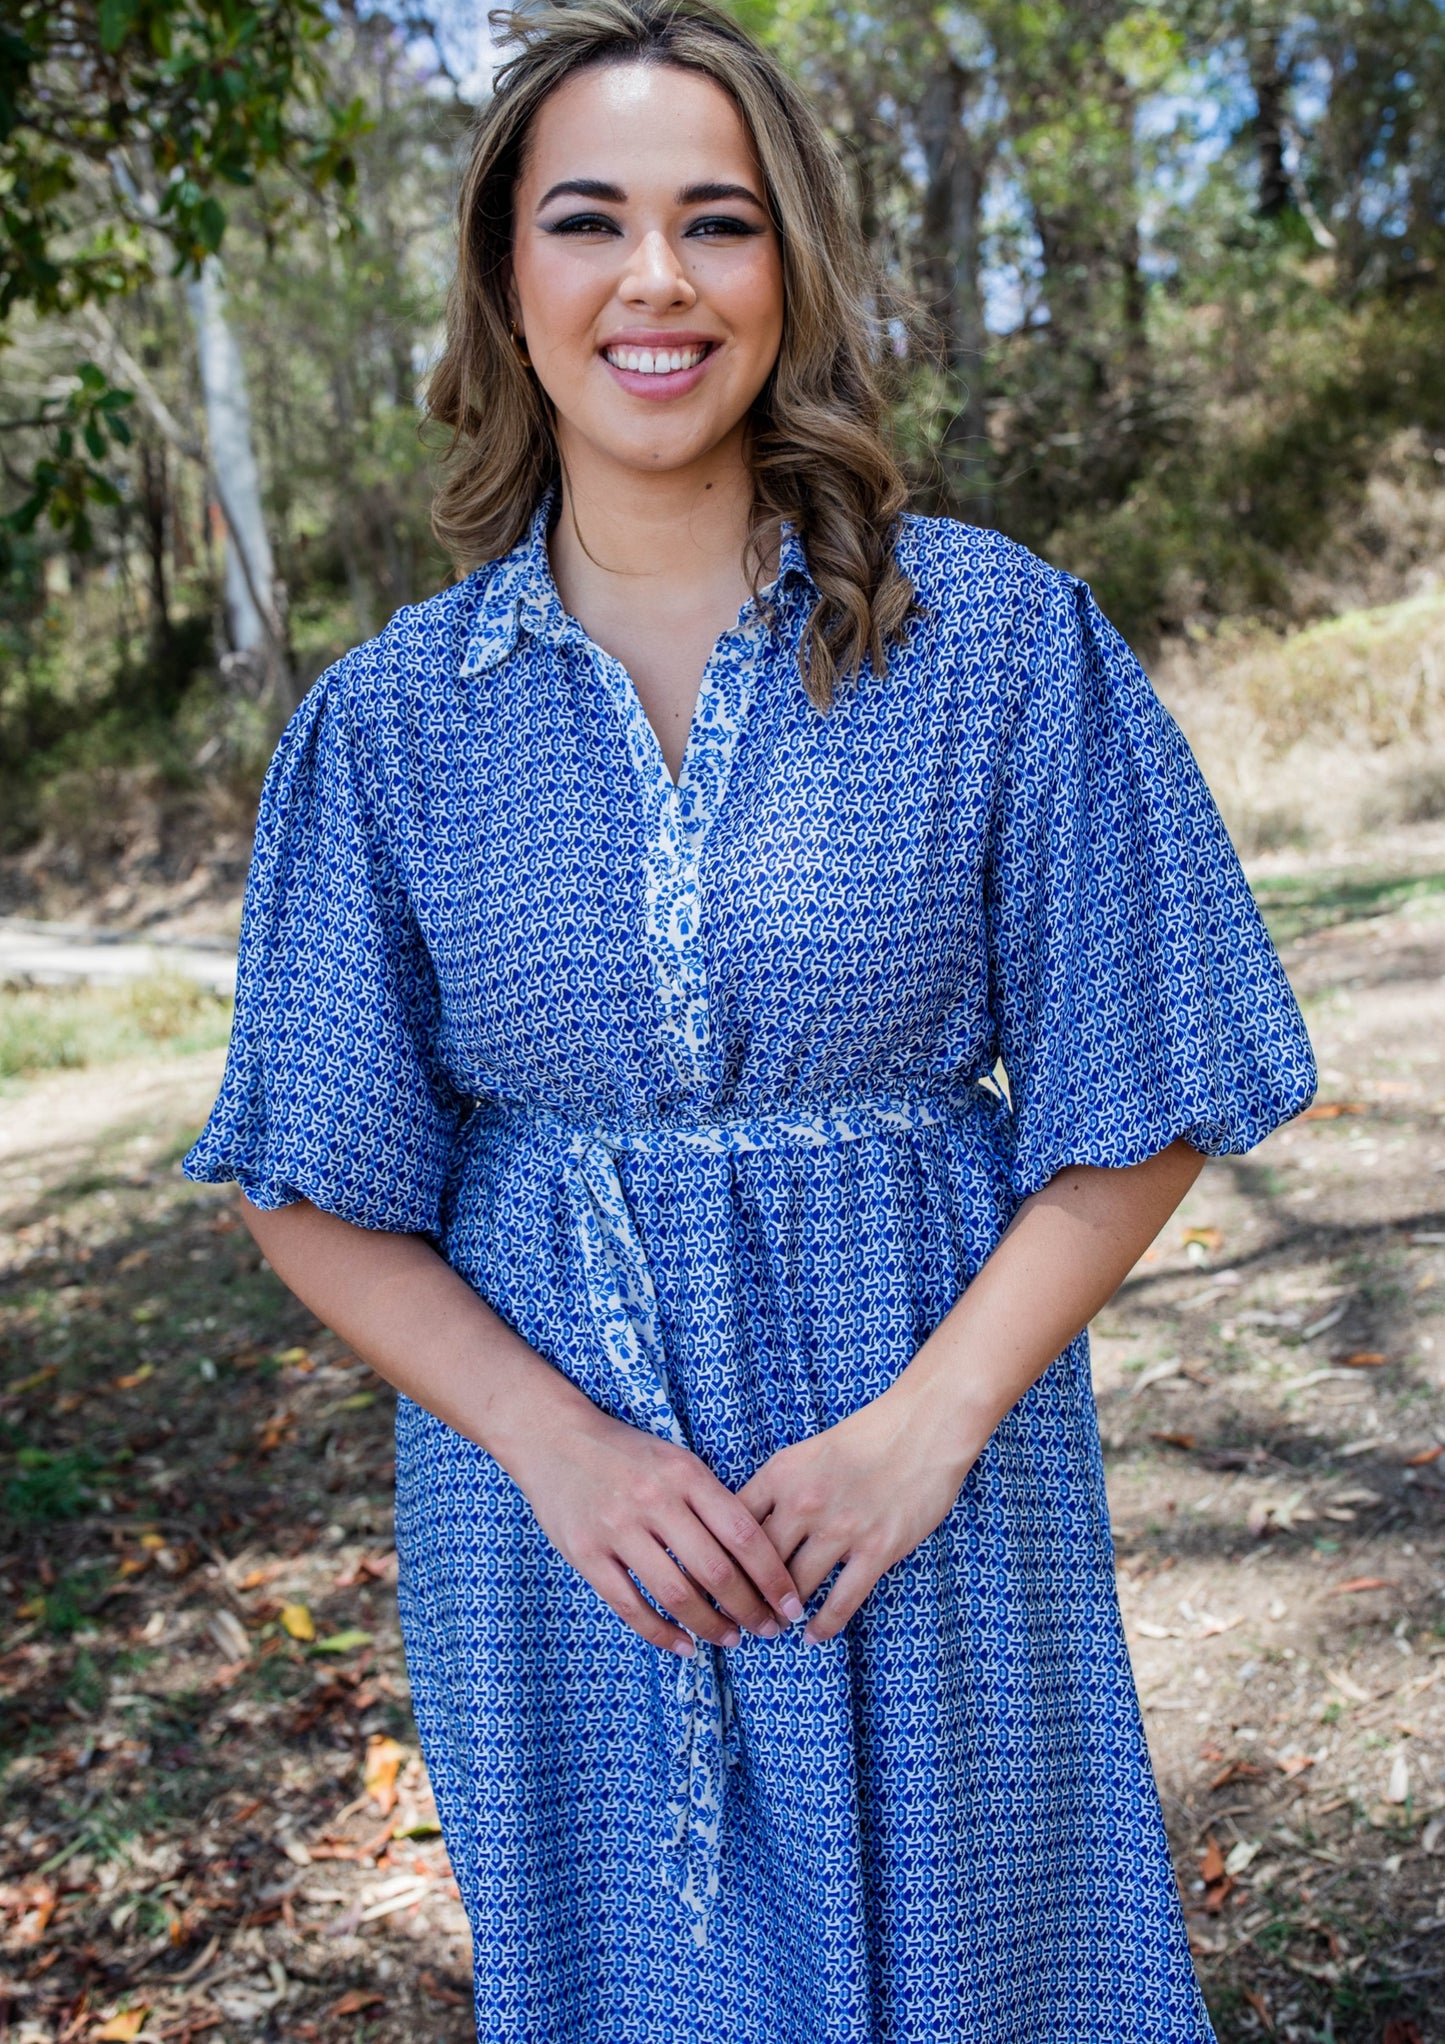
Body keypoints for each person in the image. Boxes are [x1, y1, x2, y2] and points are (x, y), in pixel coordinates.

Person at [183, 2, 1316, 2037]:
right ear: (505, 278)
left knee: (990, 1984)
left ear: (788, 269)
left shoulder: (991, 638)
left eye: (717, 221)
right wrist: (563, 1452)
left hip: (924, 1494)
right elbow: (310, 1184)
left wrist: (920, 1435)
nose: (656, 279)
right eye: (587, 221)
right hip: (571, 1546)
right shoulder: (387, 727)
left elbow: (1142, 1076)